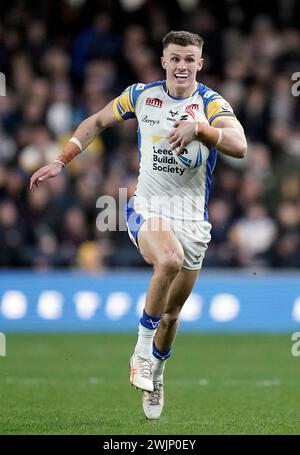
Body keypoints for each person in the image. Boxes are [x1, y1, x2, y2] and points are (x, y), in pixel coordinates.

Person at [30, 31, 247, 420]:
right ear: (163, 62)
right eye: (175, 58)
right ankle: (140, 352)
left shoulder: (210, 104)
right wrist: (61, 160)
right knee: (168, 259)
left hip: (192, 219)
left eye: (189, 59)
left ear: (200, 64)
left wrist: (199, 129)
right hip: (148, 208)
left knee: (172, 315)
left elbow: (239, 145)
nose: (182, 65)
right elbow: (96, 122)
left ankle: (157, 373)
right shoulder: (141, 96)